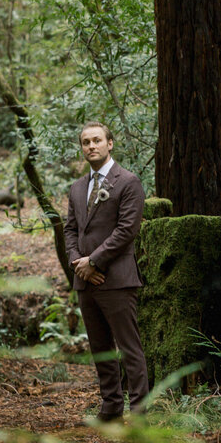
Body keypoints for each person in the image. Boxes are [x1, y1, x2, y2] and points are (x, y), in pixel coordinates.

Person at [62, 121, 150, 421]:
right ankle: (110, 407)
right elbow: (70, 230)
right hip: (86, 281)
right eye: (86, 142)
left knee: (129, 348)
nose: (91, 146)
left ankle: (138, 413)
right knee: (100, 348)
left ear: (109, 143)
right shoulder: (76, 188)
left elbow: (127, 230)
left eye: (97, 140)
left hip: (117, 279)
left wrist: (94, 262)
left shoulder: (128, 182)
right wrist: (79, 264)